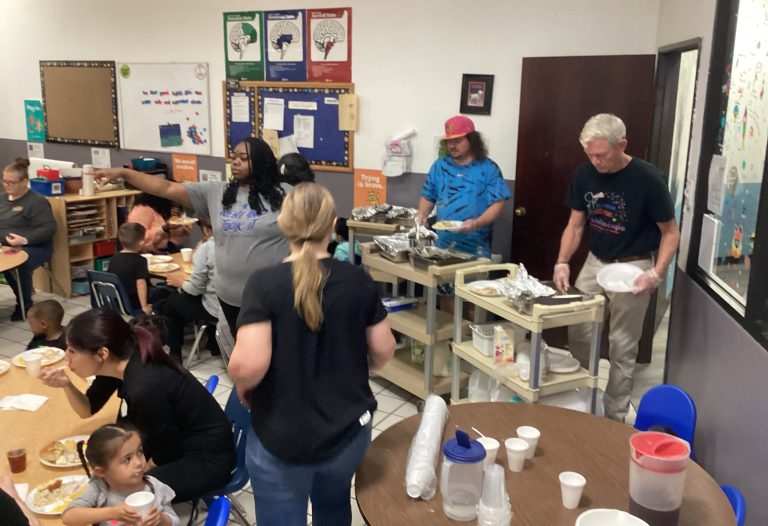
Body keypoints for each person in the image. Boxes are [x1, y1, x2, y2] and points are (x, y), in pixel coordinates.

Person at [228, 183, 396, 526]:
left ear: (282, 224)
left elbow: (249, 367)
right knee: (333, 506)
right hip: (347, 433)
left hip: (282, 437)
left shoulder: (265, 284)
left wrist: (244, 388)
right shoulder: (357, 280)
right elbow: (383, 351)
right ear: (333, 225)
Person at [553, 113, 680, 422]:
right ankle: (583, 402)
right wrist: (562, 262)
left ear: (622, 145)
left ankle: (614, 417)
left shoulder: (648, 179)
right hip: (596, 262)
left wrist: (656, 273)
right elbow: (575, 225)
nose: (596, 161)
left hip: (633, 266)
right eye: (590, 155)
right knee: (580, 332)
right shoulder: (584, 174)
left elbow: (671, 233)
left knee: (622, 346)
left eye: (602, 155)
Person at [96, 137, 290, 335]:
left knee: (272, 356)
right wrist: (124, 173)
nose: (235, 162)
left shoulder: (286, 195)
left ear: (261, 162)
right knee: (239, 356)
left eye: (243, 158)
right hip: (229, 297)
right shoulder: (218, 192)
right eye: (233, 157)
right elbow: (166, 188)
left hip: (271, 297)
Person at [40, 308, 235, 501]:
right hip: (175, 442)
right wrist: (67, 385)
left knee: (118, 491)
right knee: (106, 470)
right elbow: (88, 408)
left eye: (72, 351)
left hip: (204, 458)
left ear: (102, 354)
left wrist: (135, 473)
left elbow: (167, 450)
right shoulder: (119, 359)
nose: (66, 357)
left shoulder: (145, 385)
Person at [417, 115, 511, 258]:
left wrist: (476, 223)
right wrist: (422, 215)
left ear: (472, 140)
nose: (452, 146)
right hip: (443, 245)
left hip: (476, 246)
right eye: (449, 141)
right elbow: (428, 195)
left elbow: (498, 204)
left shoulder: (488, 168)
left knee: (471, 280)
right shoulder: (440, 166)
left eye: (458, 141)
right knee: (444, 280)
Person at [62, 424, 179, 526]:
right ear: (101, 472)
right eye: (127, 459)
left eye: (140, 452)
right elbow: (68, 517)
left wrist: (162, 520)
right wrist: (111, 513)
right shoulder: (100, 488)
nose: (138, 462)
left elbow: (175, 522)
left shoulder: (154, 487)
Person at [0, 158, 57, 321]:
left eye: (11, 182)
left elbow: (48, 229)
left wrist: (24, 240)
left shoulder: (37, 201)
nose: (6, 185)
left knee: (18, 264)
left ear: (24, 182)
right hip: (5, 246)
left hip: (35, 247)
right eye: (4, 181)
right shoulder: (2, 199)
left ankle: (24, 304)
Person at [163, 219, 220, 362]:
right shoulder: (242, 245)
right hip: (237, 307)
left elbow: (195, 289)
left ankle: (175, 354)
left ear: (206, 229)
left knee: (171, 303)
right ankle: (214, 344)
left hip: (214, 309)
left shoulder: (207, 248)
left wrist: (180, 282)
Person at [108, 223, 168, 315]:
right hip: (135, 302)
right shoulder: (140, 260)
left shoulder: (113, 259)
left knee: (159, 288)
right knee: (166, 293)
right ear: (141, 243)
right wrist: (144, 306)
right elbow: (141, 283)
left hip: (118, 301)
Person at [127, 193, 192, 254]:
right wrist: (164, 229)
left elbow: (186, 231)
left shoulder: (166, 208)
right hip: (151, 254)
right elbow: (136, 237)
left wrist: (178, 218)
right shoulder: (142, 209)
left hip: (173, 249)